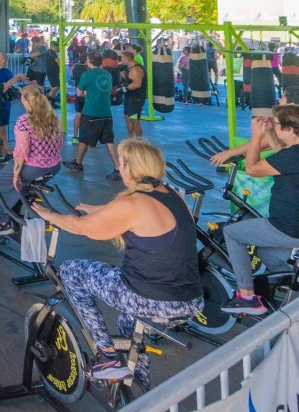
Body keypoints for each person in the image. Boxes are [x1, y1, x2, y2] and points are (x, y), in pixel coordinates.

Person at [33, 139, 204, 381]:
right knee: (128, 322)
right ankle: (138, 381)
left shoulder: (134, 202)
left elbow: (83, 228)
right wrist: (101, 211)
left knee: (71, 270)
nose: (119, 169)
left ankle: (107, 356)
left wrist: (50, 215)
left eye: (121, 164)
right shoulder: (171, 194)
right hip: (190, 300)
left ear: (131, 168)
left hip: (153, 299)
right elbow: (145, 219)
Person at [220, 106, 299, 316]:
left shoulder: (293, 155)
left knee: (232, 232)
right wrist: (270, 132)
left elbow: (253, 168)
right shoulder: (291, 154)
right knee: (266, 253)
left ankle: (247, 296)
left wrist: (256, 137)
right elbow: (282, 155)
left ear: (290, 130)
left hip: (287, 226)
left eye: (277, 124)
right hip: (293, 227)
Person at [0, 83, 62, 237]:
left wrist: (16, 174)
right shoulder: (52, 117)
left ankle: (2, 221)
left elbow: (21, 152)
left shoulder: (24, 121)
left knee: (0, 180)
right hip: (54, 165)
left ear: (24, 100)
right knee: (25, 185)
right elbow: (59, 143)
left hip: (35, 166)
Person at [63, 52, 122, 182]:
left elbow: (78, 93)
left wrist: (87, 93)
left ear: (89, 61)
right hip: (106, 113)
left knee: (84, 139)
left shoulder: (86, 74)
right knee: (109, 141)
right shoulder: (107, 74)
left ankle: (78, 163)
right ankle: (118, 168)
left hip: (91, 112)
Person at [209, 86, 299, 167]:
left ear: (291, 105)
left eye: (282, 98)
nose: (279, 100)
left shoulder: (289, 124)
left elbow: (253, 167)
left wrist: (228, 153)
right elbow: (272, 145)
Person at [0, 51, 29, 159]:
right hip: (6, 103)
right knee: (2, 127)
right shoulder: (8, 72)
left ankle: (8, 151)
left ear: (2, 61)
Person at [120, 49, 146, 139]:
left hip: (136, 98)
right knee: (127, 117)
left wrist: (124, 88)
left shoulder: (136, 69)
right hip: (130, 97)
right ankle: (130, 139)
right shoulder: (130, 68)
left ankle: (139, 141)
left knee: (135, 120)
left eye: (122, 58)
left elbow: (137, 84)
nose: (121, 59)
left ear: (127, 59)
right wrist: (121, 71)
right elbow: (128, 79)